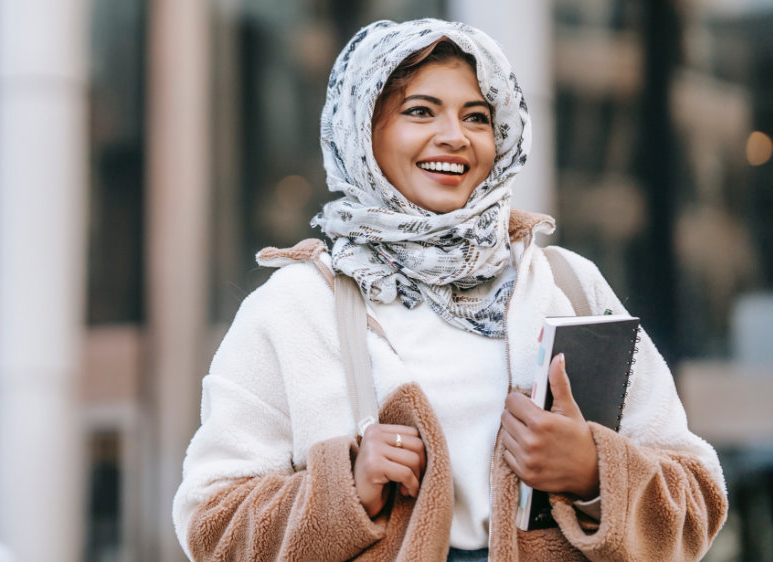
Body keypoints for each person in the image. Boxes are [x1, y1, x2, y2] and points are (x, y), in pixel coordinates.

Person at [173, 18, 727, 561]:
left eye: (477, 117)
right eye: (419, 111)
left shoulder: (566, 285)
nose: (455, 137)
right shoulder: (293, 308)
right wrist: (347, 489)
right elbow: (212, 526)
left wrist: (592, 472)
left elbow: (697, 498)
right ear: (362, 130)